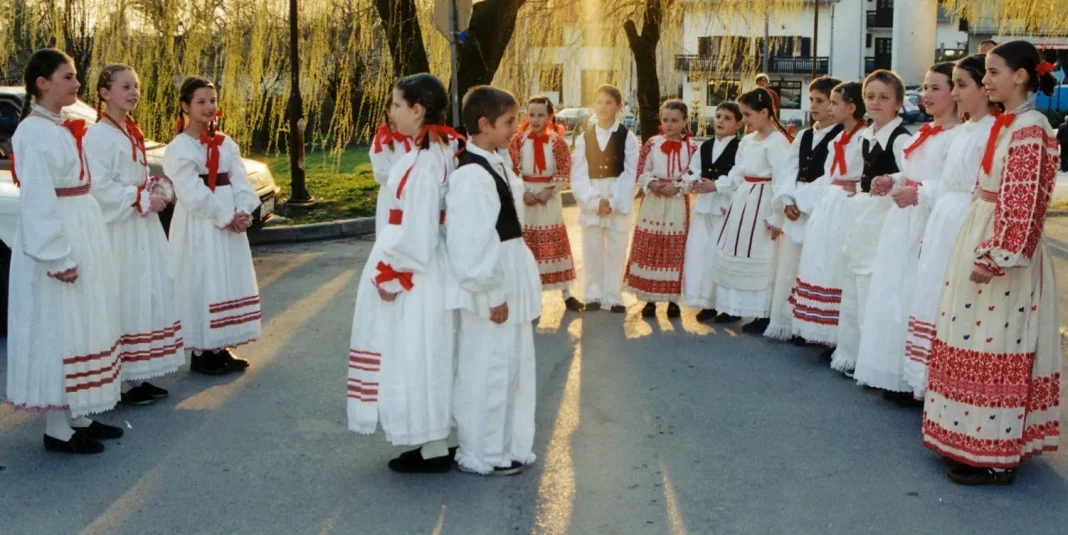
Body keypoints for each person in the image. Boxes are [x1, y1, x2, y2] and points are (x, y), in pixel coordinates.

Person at [922, 40, 1061, 486]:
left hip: (1001, 247)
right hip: (981, 228)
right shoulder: (1009, 123)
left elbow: (1025, 202)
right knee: (975, 337)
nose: (987, 81)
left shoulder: (1030, 127)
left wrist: (998, 256)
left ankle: (997, 455)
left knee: (998, 343)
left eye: (994, 72)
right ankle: (973, 440)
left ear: (1020, 76)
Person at [6, 49, 125, 454]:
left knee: (80, 322)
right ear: (43, 83)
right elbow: (37, 200)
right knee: (57, 326)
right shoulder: (33, 132)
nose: (76, 84)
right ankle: (57, 427)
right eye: (68, 77)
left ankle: (77, 412)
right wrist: (57, 256)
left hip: (80, 227)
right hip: (58, 237)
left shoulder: (61, 125)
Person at [346, 73, 461, 473]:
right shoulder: (423, 152)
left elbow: (421, 227)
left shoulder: (428, 159)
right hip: (410, 260)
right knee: (414, 349)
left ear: (418, 109)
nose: (391, 112)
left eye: (397, 104)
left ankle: (431, 443)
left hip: (417, 269)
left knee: (418, 350)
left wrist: (395, 273)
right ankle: (426, 438)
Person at [446, 86, 542, 475]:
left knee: (513, 369)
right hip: (491, 287)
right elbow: (471, 243)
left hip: (508, 278)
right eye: (507, 122)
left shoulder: (496, 160)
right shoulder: (472, 174)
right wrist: (493, 293)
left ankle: (510, 445)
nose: (514, 128)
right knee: (489, 370)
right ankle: (483, 452)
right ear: (483, 124)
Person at [854, 63, 960, 403]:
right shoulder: (922, 133)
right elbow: (910, 171)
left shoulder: (958, 136)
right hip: (904, 221)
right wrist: (893, 180)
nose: (926, 95)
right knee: (893, 293)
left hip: (931, 221)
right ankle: (893, 370)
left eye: (936, 88)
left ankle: (918, 378)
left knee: (917, 294)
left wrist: (920, 191)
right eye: (925, 88)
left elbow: (959, 185)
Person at [85, 64, 182, 406]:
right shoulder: (98, 136)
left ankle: (136, 374)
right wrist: (139, 198)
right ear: (104, 93)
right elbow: (99, 186)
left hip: (140, 225)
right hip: (120, 228)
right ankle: (121, 379)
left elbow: (135, 175)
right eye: (125, 86)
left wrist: (155, 188)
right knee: (124, 293)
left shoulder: (128, 131)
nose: (133, 92)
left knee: (144, 292)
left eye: (136, 86)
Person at [903, 54, 997, 398]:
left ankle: (944, 384)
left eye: (961, 85)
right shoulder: (968, 128)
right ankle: (926, 379)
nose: (955, 94)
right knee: (931, 290)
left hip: (964, 217)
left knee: (950, 295)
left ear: (983, 89)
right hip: (945, 215)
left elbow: (976, 184)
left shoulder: (990, 131)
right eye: (953, 85)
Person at [163, 76, 261, 375]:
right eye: (201, 102)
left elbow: (240, 178)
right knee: (204, 277)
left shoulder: (225, 142)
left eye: (212, 101)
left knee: (226, 276)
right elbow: (190, 190)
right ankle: (202, 350)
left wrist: (243, 210)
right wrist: (224, 215)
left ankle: (221, 344)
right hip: (202, 222)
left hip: (229, 216)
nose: (208, 107)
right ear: (185, 106)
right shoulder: (180, 147)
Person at [831, 70, 912, 375]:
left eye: (884, 97)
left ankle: (874, 360)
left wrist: (889, 183)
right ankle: (852, 352)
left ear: (898, 103)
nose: (876, 103)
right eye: (870, 96)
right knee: (854, 284)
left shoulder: (901, 138)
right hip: (863, 214)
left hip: (884, 217)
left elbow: (908, 175)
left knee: (872, 285)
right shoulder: (868, 135)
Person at [703, 88, 792, 333]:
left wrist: (777, 217)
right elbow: (737, 172)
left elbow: (783, 180)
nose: (745, 120)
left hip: (763, 203)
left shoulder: (777, 142)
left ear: (765, 112)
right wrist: (717, 185)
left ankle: (762, 313)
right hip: (743, 201)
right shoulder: (748, 140)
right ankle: (733, 306)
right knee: (736, 251)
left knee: (762, 255)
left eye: (748, 114)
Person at [789, 82, 867, 356]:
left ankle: (837, 335)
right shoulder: (837, 140)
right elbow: (829, 176)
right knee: (822, 261)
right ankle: (820, 330)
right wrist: (800, 198)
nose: (830, 108)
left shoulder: (863, 137)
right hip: (830, 205)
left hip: (848, 206)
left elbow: (864, 175)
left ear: (852, 107)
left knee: (838, 265)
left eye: (834, 103)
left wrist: (857, 187)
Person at [764, 76, 844, 341]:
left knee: (813, 266)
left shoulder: (840, 136)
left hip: (817, 207)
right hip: (796, 204)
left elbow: (830, 176)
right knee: (791, 264)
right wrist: (787, 199)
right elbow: (789, 168)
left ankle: (809, 324)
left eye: (820, 101)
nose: (814, 106)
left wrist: (802, 200)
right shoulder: (804, 135)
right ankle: (788, 321)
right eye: (811, 100)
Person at [508, 96, 584, 312]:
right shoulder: (518, 140)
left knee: (554, 243)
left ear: (550, 116)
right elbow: (511, 168)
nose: (535, 119)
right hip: (526, 196)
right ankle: (530, 295)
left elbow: (563, 168)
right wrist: (522, 192)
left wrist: (549, 191)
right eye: (531, 114)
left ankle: (566, 293)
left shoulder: (557, 142)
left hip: (548, 197)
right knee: (527, 244)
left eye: (541, 115)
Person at [570, 84, 640, 313]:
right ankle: (592, 295)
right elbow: (578, 172)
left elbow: (631, 172)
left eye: (609, 102)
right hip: (592, 194)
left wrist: (613, 200)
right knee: (592, 249)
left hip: (616, 194)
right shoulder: (584, 137)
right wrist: (593, 201)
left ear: (619, 106)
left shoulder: (627, 137)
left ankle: (614, 295)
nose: (603, 107)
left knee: (616, 248)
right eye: (599, 102)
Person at [625, 100, 698, 318]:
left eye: (675, 120)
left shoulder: (692, 147)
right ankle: (649, 299)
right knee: (651, 248)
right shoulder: (652, 143)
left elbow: (694, 173)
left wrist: (677, 185)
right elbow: (640, 170)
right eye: (665, 120)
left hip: (676, 202)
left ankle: (673, 299)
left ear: (685, 121)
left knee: (674, 249)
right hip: (654, 201)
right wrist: (652, 183)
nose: (669, 124)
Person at [684, 103, 741, 320]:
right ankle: (708, 301)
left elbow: (738, 176)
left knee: (721, 254)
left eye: (727, 118)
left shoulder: (740, 148)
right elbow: (694, 170)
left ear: (738, 123)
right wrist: (693, 182)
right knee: (702, 251)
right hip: (706, 204)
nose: (720, 121)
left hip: (726, 205)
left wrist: (717, 185)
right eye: (718, 116)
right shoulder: (705, 146)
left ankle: (728, 306)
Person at [369, 112, 412, 236]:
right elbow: (380, 172)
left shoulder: (415, 136)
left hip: (414, 195)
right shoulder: (382, 139)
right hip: (391, 197)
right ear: (387, 111)